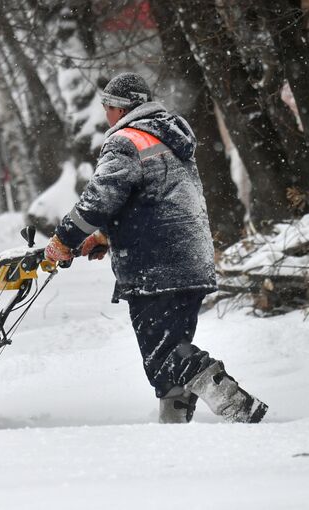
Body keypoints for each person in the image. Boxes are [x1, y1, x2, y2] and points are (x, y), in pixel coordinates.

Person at [45, 72, 268, 424]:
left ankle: (237, 405)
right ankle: (173, 428)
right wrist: (106, 237)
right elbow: (158, 198)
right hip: (189, 257)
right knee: (172, 352)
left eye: (107, 108)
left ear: (120, 108)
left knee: (163, 354)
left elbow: (98, 200)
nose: (106, 116)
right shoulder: (170, 136)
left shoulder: (125, 140)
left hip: (156, 266)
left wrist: (64, 239)